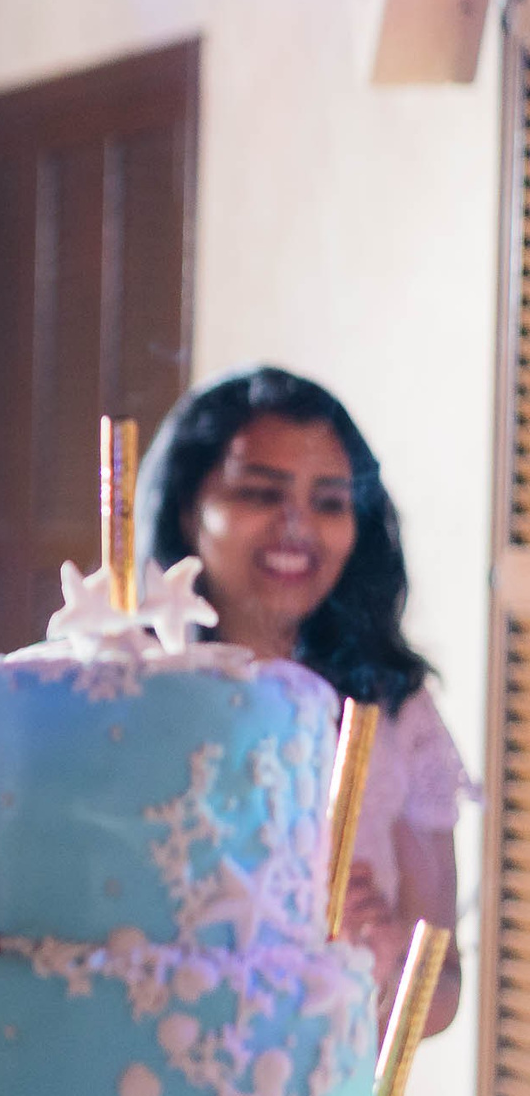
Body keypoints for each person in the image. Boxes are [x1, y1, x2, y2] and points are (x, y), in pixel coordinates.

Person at [134, 367, 467, 1041]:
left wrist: (373, 956)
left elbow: (442, 992)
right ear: (187, 509)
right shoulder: (122, 698)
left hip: (327, 1093)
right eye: (260, 493)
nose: (298, 527)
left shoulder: (393, 712)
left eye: (330, 502)